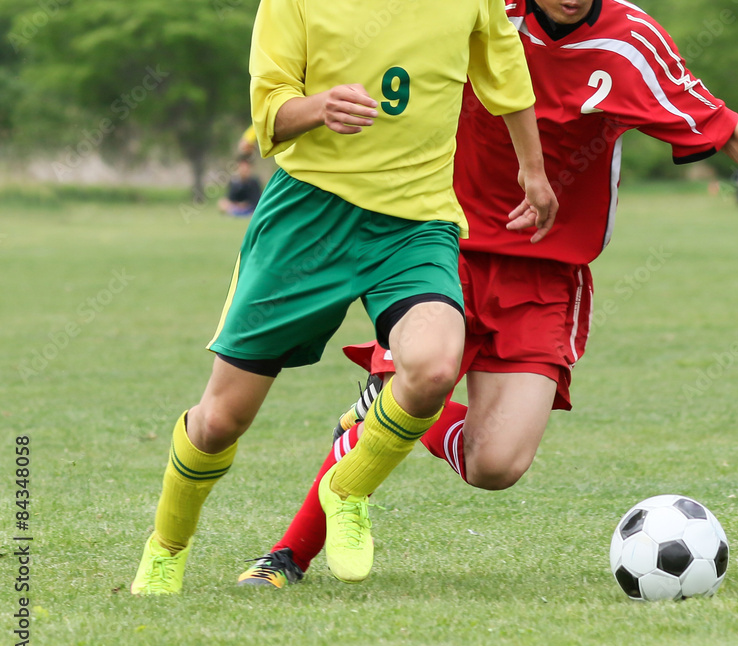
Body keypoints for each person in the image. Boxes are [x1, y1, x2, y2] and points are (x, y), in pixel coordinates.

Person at [234, 0, 738, 589]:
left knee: (496, 466)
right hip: (436, 245)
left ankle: (394, 404)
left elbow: (720, 126)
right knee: (419, 378)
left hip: (544, 276)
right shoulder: (482, 13)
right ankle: (287, 555)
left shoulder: (631, 42)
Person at [130, 0, 557, 595]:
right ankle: (167, 546)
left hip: (414, 222)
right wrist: (319, 107)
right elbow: (269, 112)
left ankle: (347, 489)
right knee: (220, 420)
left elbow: (505, 73)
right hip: (308, 216)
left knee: (434, 367)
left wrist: (532, 171)